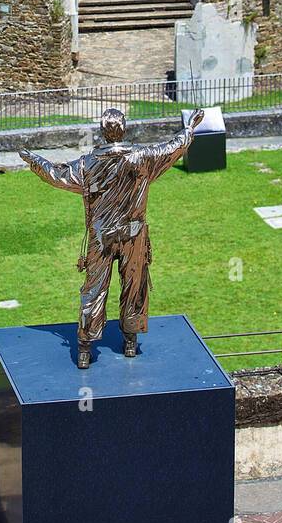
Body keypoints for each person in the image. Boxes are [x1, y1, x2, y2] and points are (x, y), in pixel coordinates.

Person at [20, 106, 205, 369]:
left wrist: (35, 161)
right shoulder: (143, 158)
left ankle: (85, 348)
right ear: (124, 128)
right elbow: (173, 147)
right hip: (133, 234)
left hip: (101, 237)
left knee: (94, 289)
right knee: (134, 285)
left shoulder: (88, 164)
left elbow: (57, 175)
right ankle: (130, 340)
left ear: (102, 132)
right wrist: (190, 128)